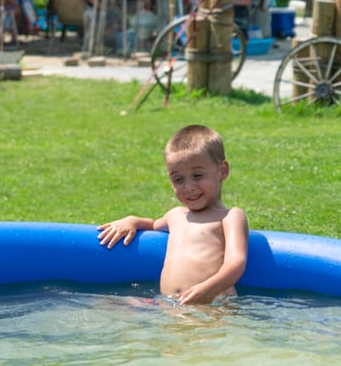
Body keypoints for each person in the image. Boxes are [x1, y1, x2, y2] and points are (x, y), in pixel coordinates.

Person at [96, 125, 248, 305]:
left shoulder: (230, 216)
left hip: (213, 305)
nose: (189, 186)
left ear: (223, 170)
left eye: (197, 175)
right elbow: (152, 225)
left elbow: (236, 262)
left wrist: (208, 289)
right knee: (108, 304)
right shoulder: (175, 215)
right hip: (169, 305)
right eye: (178, 180)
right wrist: (132, 221)